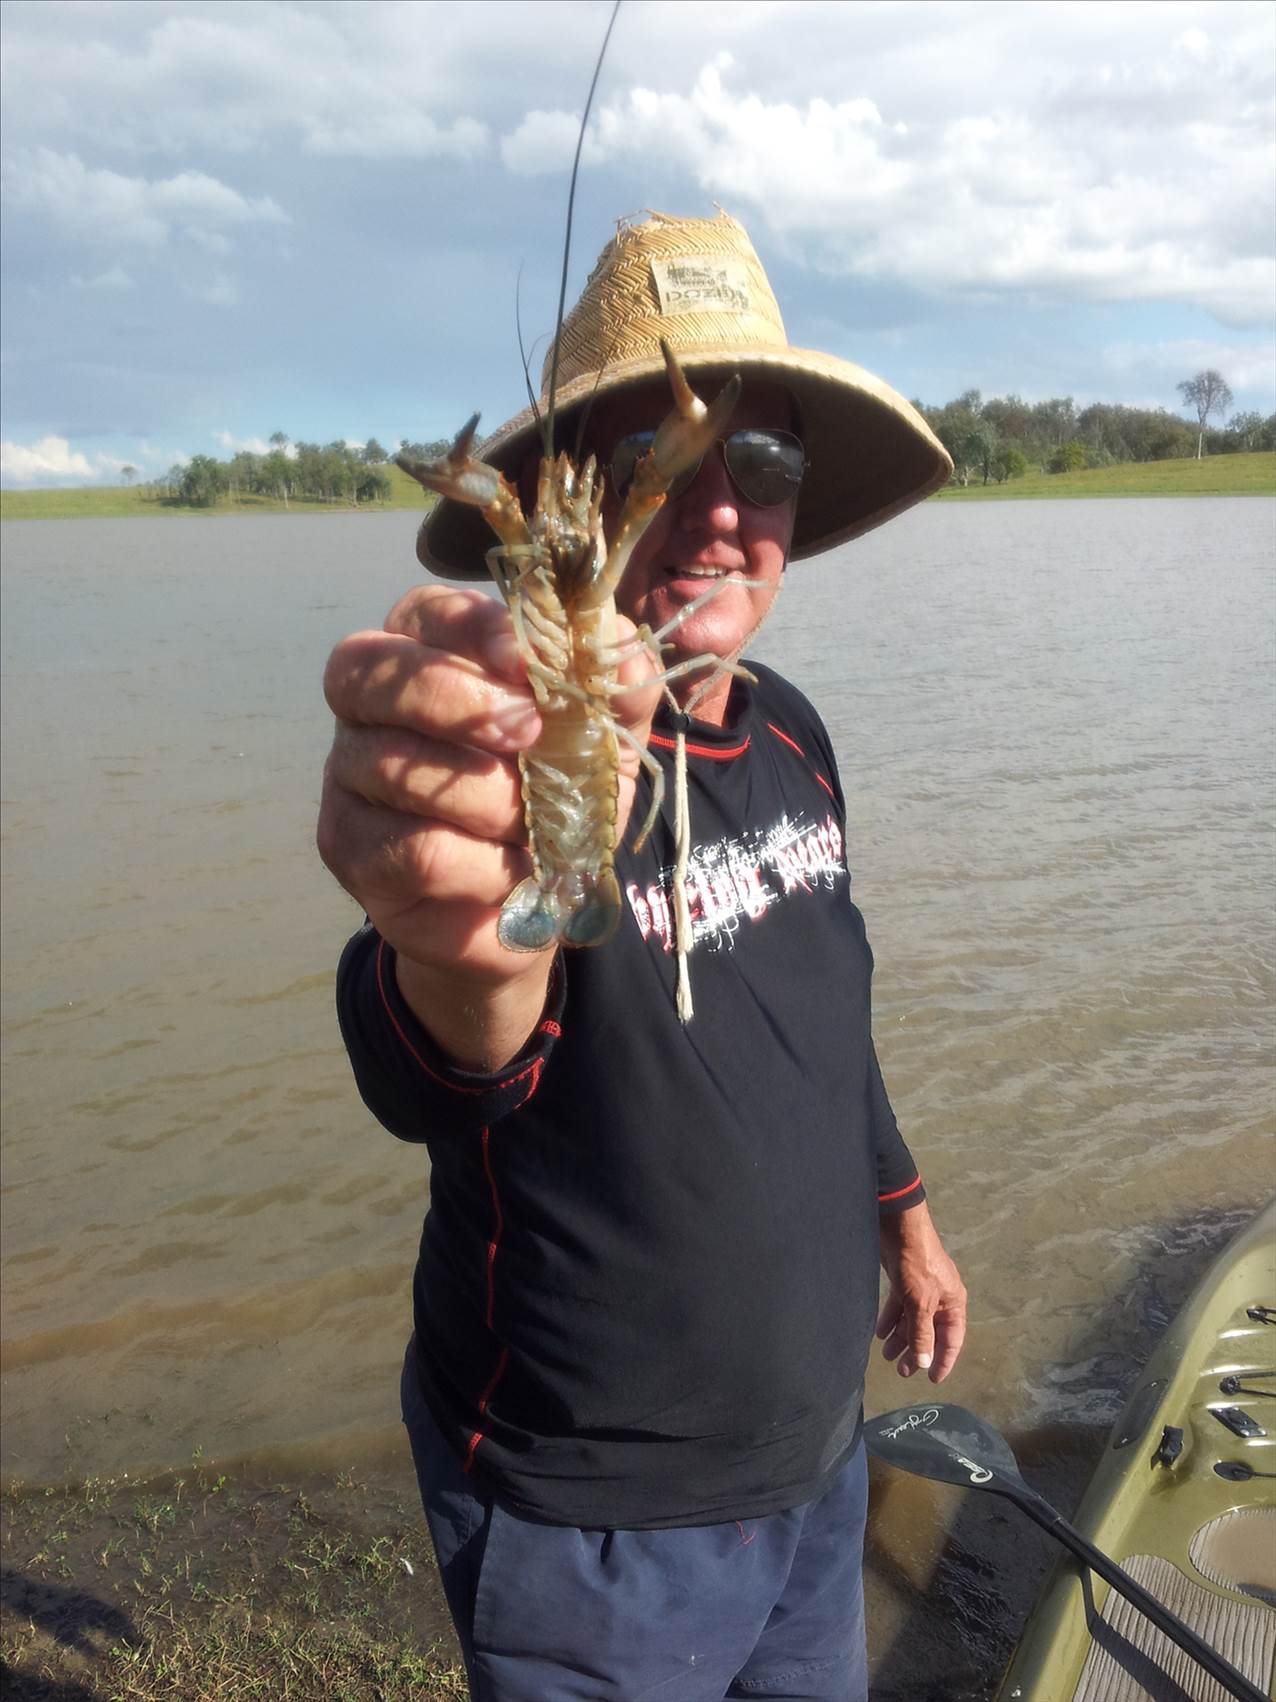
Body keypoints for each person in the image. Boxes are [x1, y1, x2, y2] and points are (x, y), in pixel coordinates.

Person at [318, 211, 967, 1701]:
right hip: (591, 1526)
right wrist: (464, 946)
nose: (723, 509)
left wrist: (909, 1219)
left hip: (817, 1462)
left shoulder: (794, 730)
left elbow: (825, 1014)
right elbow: (444, 1052)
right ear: (570, 505)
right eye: (662, 464)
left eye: (771, 461)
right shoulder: (525, 749)